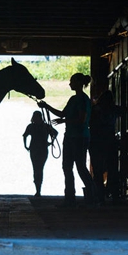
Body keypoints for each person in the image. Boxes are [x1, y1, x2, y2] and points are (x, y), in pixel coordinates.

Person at [38, 73, 96, 207]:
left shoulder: (82, 99)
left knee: (79, 167)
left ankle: (91, 196)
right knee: (67, 167)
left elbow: (81, 119)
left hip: (79, 137)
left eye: (72, 81)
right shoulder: (73, 99)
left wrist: (64, 120)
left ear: (78, 83)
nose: (70, 84)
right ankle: (71, 198)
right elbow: (62, 113)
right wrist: (46, 106)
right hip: (71, 137)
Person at [90, 89, 120, 204]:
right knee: (112, 169)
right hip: (110, 142)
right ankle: (115, 195)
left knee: (97, 171)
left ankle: (100, 195)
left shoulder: (94, 110)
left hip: (96, 142)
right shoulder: (113, 109)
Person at [23, 110, 58, 197]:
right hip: (41, 149)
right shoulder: (45, 126)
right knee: (38, 169)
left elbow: (25, 136)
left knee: (37, 169)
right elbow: (55, 133)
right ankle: (38, 189)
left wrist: (26, 146)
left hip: (35, 149)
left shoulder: (32, 126)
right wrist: (50, 142)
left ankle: (38, 190)